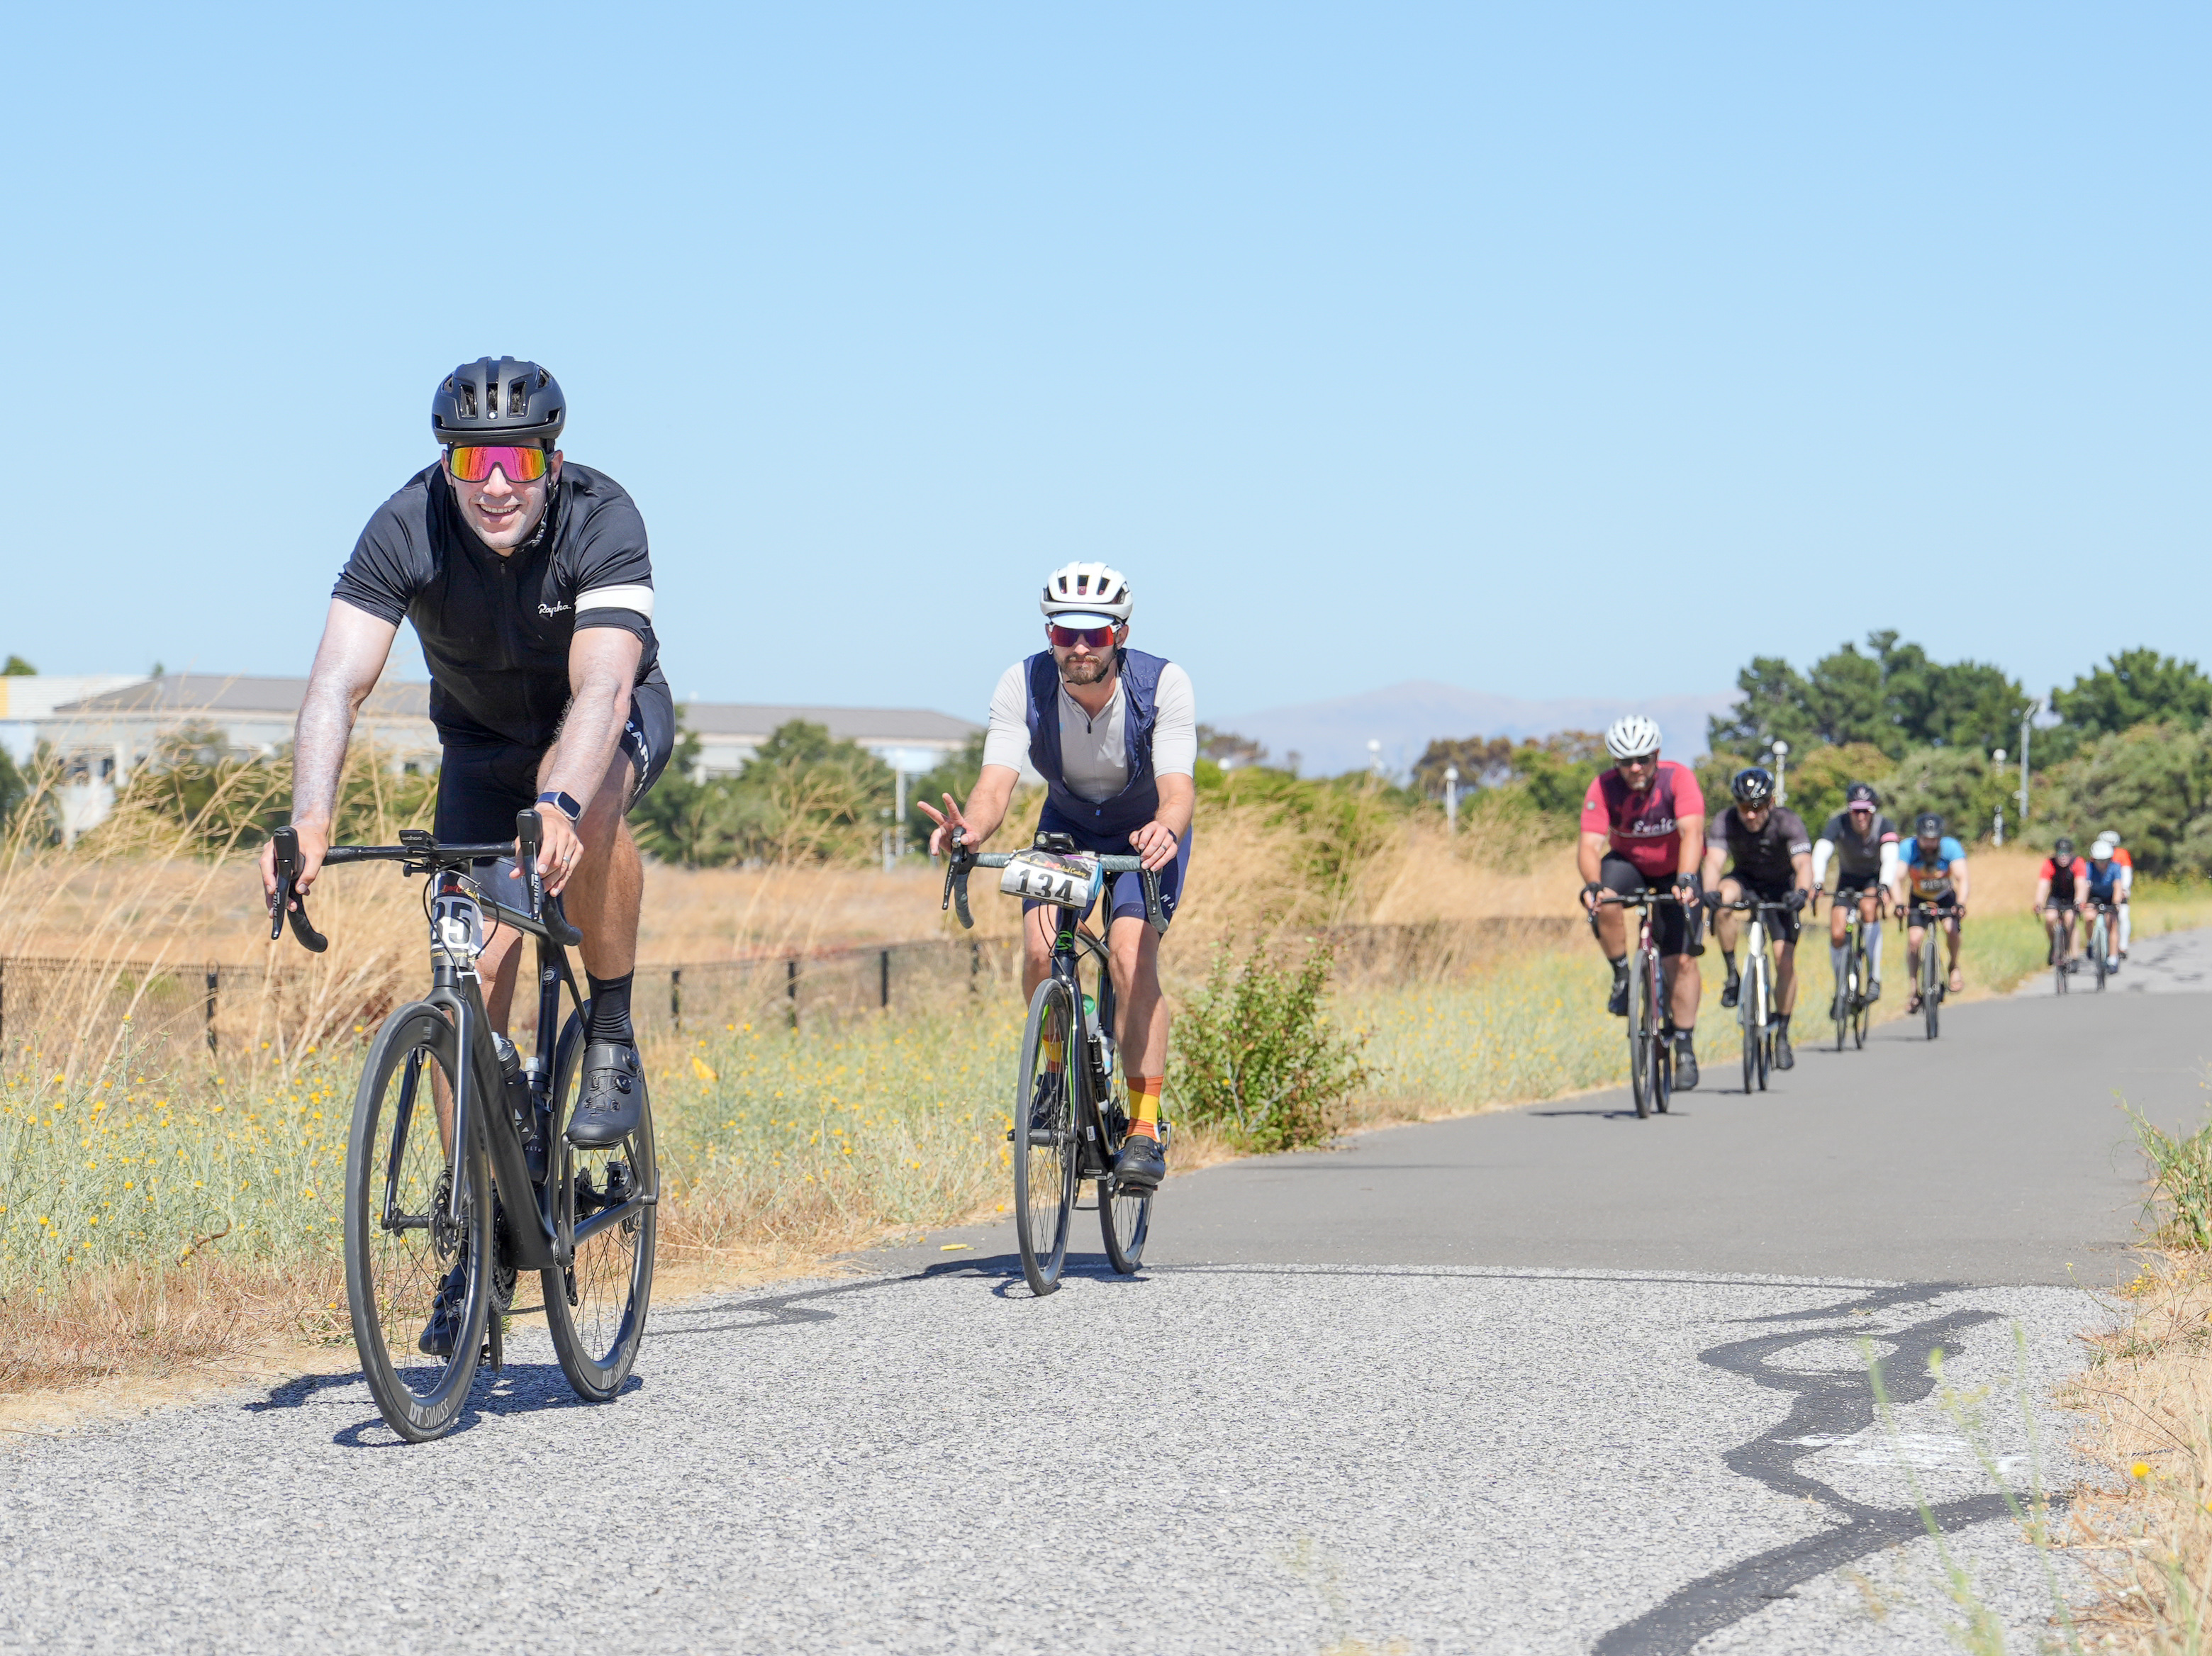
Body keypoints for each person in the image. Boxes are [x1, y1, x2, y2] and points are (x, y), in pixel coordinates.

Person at [259, 358, 674, 1351]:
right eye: (471, 461)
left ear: (552, 463)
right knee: (464, 976)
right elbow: (336, 681)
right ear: (446, 465)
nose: (494, 483)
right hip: (481, 749)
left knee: (593, 808)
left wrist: (560, 803)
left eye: (517, 461)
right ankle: (477, 1235)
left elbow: (603, 687)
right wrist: (308, 819)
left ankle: (610, 1026)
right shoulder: (404, 524)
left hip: (603, 730)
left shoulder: (604, 516)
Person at [919, 563, 1195, 1192]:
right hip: (1067, 829)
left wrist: (1167, 828)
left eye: (1095, 635)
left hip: (1144, 834)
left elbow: (1178, 788)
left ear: (1120, 635)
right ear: (1050, 634)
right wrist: (971, 831)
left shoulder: (1164, 684)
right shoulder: (1023, 683)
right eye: (1066, 633)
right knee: (1042, 951)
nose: (1079, 648)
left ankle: (1143, 1128)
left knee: (1130, 958)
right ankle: (1055, 1075)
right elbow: (995, 785)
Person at [1578, 715, 1706, 1090]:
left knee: (1680, 961)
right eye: (1625, 761)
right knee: (1605, 898)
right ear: (1615, 762)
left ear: (1657, 755)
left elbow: (1692, 832)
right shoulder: (1604, 787)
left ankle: (1684, 1045)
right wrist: (1593, 885)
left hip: (1675, 868)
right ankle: (1622, 974)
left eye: (1643, 759)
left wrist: (1686, 878)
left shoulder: (1678, 778)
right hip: (1629, 864)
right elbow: (1589, 845)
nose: (1635, 768)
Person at [1697, 767, 1814, 1069]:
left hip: (1781, 888)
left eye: (1757, 807)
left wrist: (1802, 892)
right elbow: (1714, 861)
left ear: (1771, 802)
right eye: (1743, 806)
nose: (1750, 814)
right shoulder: (1725, 820)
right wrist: (1709, 891)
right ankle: (1732, 974)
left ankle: (1783, 1034)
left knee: (1784, 960)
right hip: (1745, 880)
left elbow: (1803, 863)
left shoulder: (1787, 821)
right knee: (1723, 902)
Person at [1811, 781, 1900, 1002]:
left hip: (1873, 878)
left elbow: (1890, 856)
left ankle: (1874, 978)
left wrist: (1885, 885)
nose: (1861, 817)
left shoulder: (1884, 825)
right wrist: (1818, 881)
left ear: (1873, 811)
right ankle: (1840, 988)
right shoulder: (1838, 823)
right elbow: (1822, 850)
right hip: (1848, 880)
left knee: (1869, 909)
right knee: (1837, 934)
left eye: (1866, 811)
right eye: (1856, 811)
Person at [1891, 812, 1969, 1008]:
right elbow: (1897, 878)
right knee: (1914, 940)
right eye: (1925, 839)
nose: (1929, 844)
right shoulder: (1908, 848)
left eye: (1934, 840)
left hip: (1945, 897)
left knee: (1952, 929)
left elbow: (1963, 878)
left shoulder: (1950, 847)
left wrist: (1960, 903)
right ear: (1918, 836)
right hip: (1919, 898)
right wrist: (1899, 904)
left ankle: (1954, 966)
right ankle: (1913, 989)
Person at [2034, 836, 2088, 970]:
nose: (2063, 857)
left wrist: (2079, 900)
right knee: (2050, 918)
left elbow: (2080, 884)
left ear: (2071, 854)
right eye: (2060, 854)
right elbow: (2043, 885)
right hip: (2056, 896)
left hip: (2071, 896)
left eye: (2066, 854)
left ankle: (2074, 957)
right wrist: (2038, 902)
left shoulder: (2077, 862)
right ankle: (2054, 945)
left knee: (2070, 920)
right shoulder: (2049, 863)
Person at [2083, 841, 2126, 972]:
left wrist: (2116, 903)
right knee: (2089, 918)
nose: (2102, 863)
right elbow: (2085, 886)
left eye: (2105, 860)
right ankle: (2091, 942)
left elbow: (2117, 886)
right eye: (2099, 860)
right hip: (2094, 896)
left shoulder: (2115, 867)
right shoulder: (2089, 867)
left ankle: (2113, 958)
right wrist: (2083, 903)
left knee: (2112, 923)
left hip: (2109, 898)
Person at [2096, 829, 2135, 958]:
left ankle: (2123, 947)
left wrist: (2125, 889)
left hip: (2120, 889)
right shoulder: (2098, 853)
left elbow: (2126, 872)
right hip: (2104, 890)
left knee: (2123, 916)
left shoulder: (2122, 854)